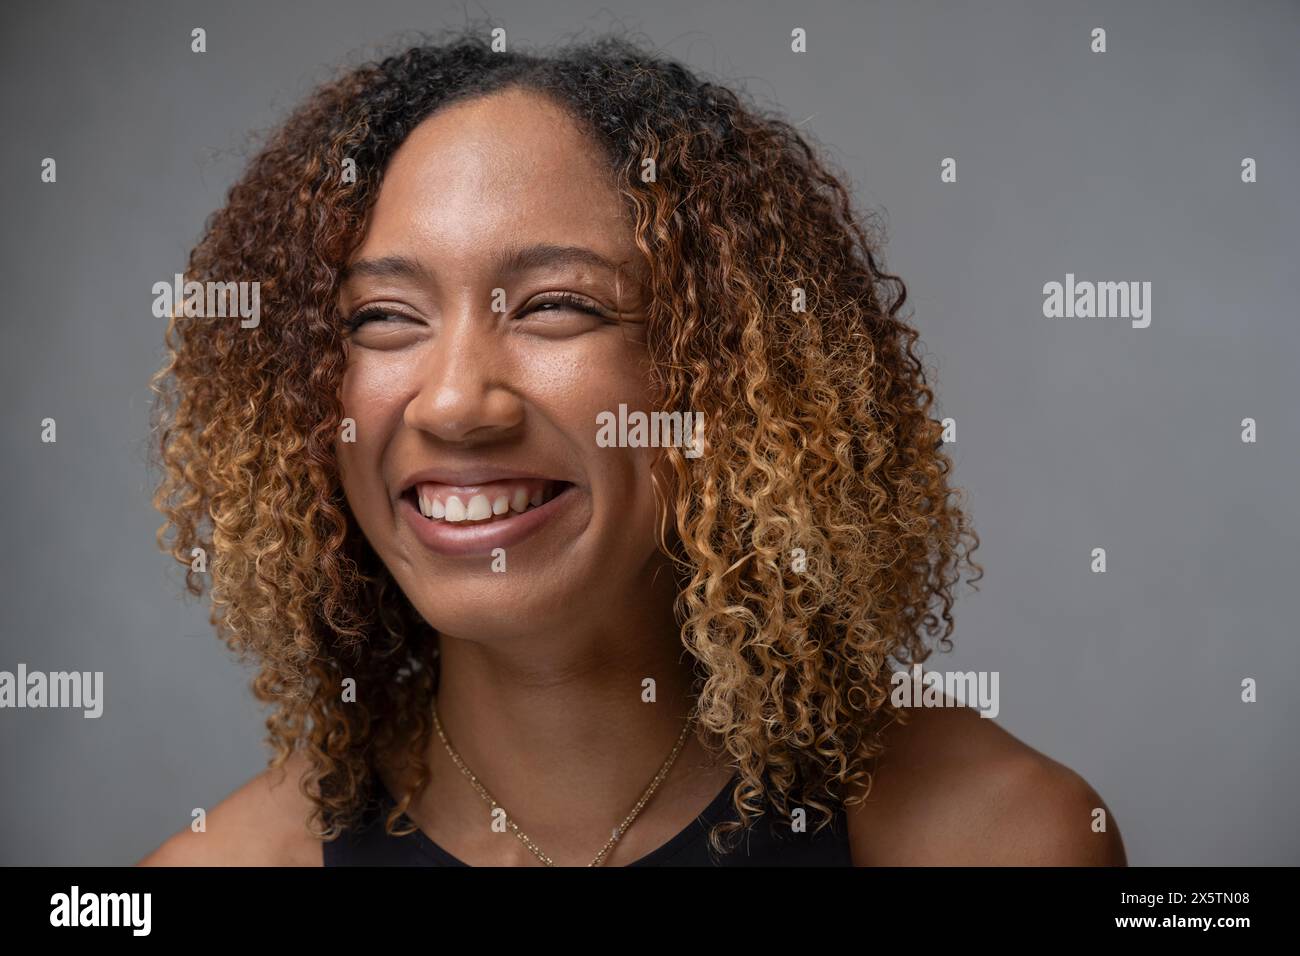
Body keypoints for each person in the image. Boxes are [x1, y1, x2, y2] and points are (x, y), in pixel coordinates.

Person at [139, 31, 1125, 866]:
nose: (453, 401)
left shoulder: (994, 835)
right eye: (383, 317)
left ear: (727, 373)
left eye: (555, 305)